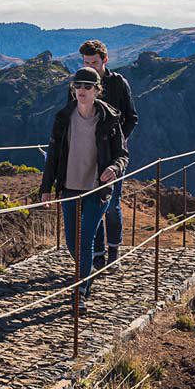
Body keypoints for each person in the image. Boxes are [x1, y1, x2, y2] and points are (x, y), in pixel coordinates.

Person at [37, 66, 129, 302]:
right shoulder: (63, 118)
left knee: (86, 239)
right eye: (77, 86)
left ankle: (81, 290)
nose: (81, 90)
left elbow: (122, 155)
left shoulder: (110, 119)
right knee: (71, 241)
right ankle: (85, 274)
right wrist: (46, 188)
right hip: (69, 187)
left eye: (87, 86)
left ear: (97, 90)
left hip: (97, 190)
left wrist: (114, 168)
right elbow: (53, 155)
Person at [79, 39, 138, 271]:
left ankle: (113, 252)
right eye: (86, 62)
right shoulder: (80, 83)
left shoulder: (118, 83)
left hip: (113, 156)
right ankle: (98, 255)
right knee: (93, 204)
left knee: (111, 204)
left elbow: (132, 117)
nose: (90, 67)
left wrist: (119, 143)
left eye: (94, 62)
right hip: (87, 154)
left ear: (105, 60)